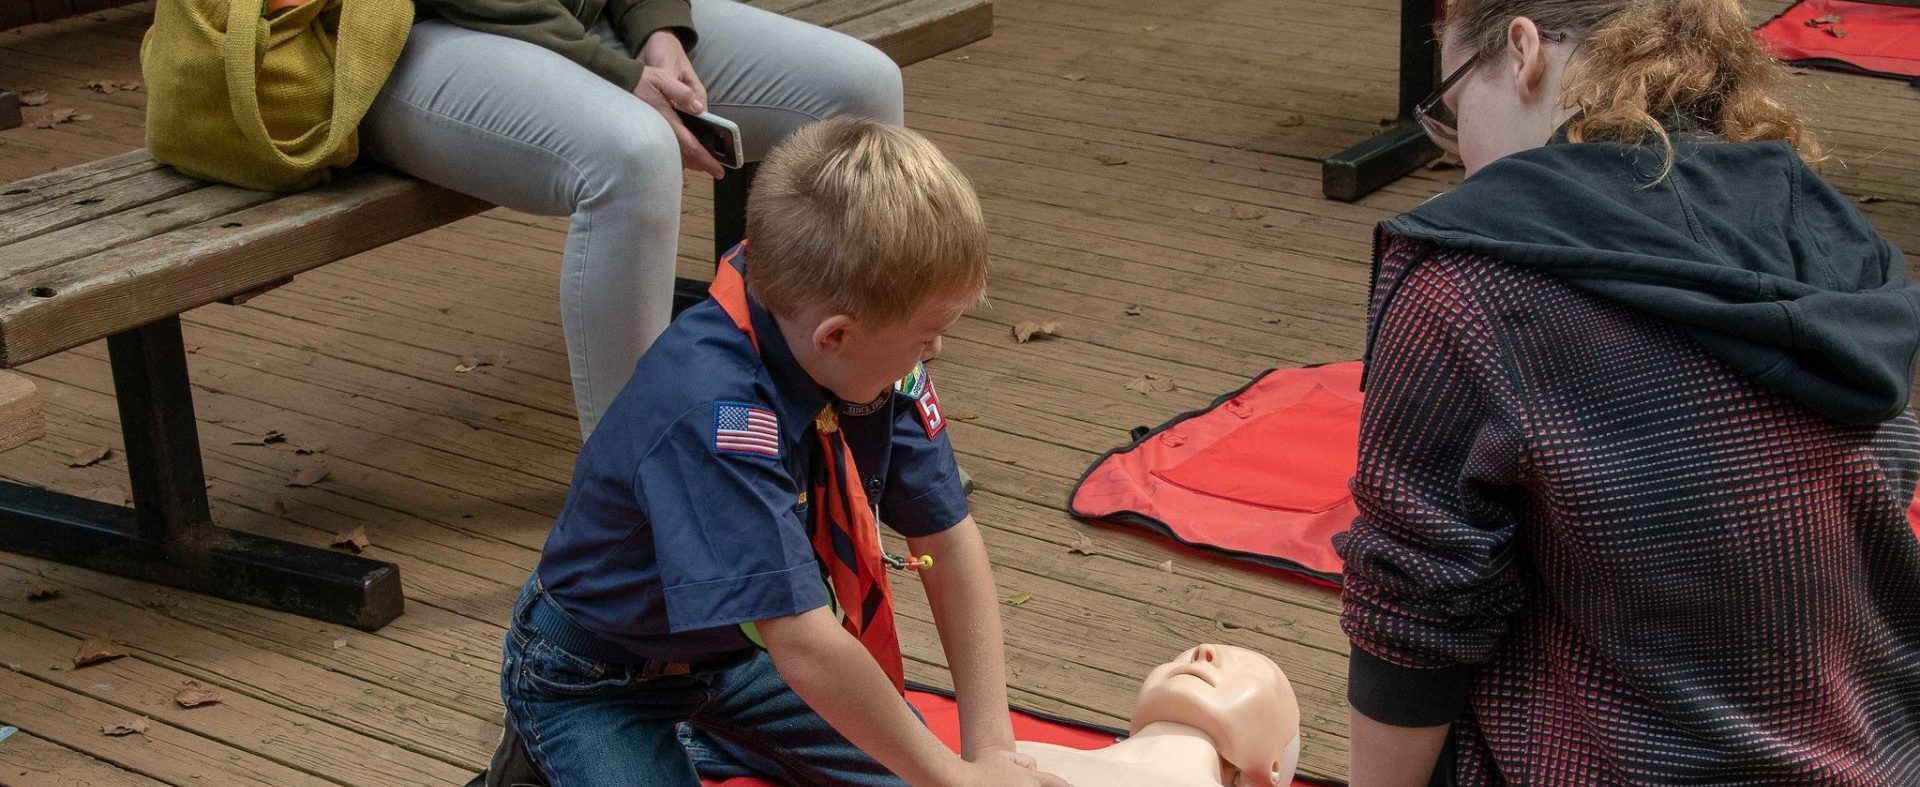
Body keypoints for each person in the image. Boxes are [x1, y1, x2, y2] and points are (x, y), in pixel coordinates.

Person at [1333, 0, 1920, 783]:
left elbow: (1410, 611)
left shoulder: (1473, 285)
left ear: (1523, 51)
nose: (1459, 159)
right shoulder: (1824, 231)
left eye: (1454, 107)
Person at [486, 117, 1072, 787]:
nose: (934, 352)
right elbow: (807, 647)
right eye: (928, 337)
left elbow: (948, 536)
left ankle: (704, 743)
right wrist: (954, 777)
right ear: (836, 335)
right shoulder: (715, 411)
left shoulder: (860, 347)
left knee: (913, 771)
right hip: (599, 677)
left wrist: (989, 750)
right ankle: (550, 756)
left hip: (733, 658)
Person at [363, 0, 905, 437]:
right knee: (634, 153)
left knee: (863, 86)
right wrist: (621, 76)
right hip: (410, 30)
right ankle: (638, 485)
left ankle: (857, 413)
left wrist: (660, 30)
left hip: (590, 14)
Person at [1017, 644, 1301, 787]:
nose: (1203, 652)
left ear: (1272, 768)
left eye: (1247, 670)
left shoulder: (1019, 757)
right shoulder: (1014, 755)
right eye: (1181, 658)